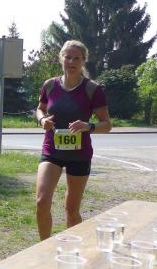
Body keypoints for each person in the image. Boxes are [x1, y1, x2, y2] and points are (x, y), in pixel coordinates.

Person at [34, 40, 112, 241]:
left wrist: (88, 126)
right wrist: (42, 120)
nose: (71, 62)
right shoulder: (50, 85)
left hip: (79, 154)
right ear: (61, 58)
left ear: (83, 61)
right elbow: (40, 108)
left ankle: (73, 250)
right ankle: (45, 248)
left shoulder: (92, 89)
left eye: (77, 58)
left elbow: (107, 124)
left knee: (71, 209)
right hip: (52, 150)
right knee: (42, 201)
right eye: (68, 57)